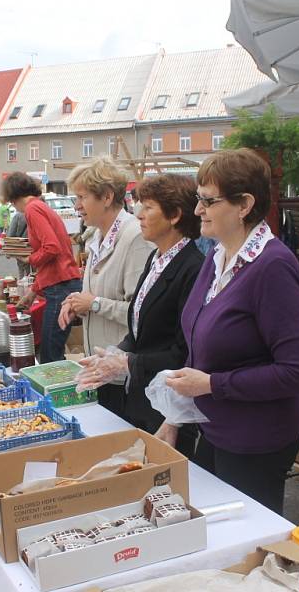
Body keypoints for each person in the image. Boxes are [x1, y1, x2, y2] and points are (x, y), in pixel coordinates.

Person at [161, 149, 299, 515]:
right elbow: (198, 351)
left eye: (208, 201)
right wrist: (174, 418)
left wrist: (213, 385)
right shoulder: (218, 257)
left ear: (244, 204)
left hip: (258, 438)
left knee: (248, 550)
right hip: (216, 428)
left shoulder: (272, 267)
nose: (198, 210)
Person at [75, 174, 204, 457]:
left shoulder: (193, 268)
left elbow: (184, 351)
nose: (139, 214)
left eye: (148, 207)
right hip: (143, 397)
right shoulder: (156, 258)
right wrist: (112, 355)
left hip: (170, 406)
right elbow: (139, 328)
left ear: (174, 215)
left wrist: (128, 362)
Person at [58, 157, 154, 418]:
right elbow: (98, 293)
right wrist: (77, 301)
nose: (76, 206)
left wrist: (94, 304)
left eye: (82, 197)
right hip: (102, 370)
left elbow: (144, 314)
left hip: (122, 374)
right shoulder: (97, 236)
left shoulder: (135, 237)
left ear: (107, 197)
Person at [2, 172, 82, 363]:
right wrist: (32, 293)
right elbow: (51, 260)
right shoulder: (40, 206)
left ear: (13, 197)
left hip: (61, 286)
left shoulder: (32, 209)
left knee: (50, 355)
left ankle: (56, 393)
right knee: (51, 348)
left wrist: (30, 258)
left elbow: (51, 248)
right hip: (62, 283)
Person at [7, 209, 31, 279]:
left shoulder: (18, 216)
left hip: (21, 247)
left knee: (23, 271)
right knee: (36, 272)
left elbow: (11, 234)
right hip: (35, 248)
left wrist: (8, 251)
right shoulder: (36, 214)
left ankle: (25, 287)